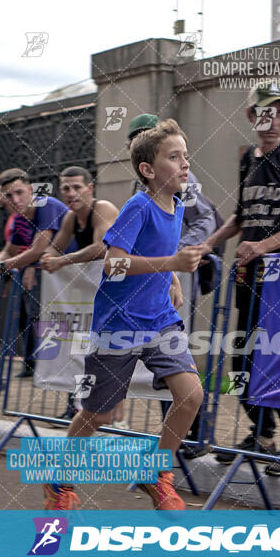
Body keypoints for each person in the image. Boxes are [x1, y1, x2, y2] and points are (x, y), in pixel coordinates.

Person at [43, 119, 204, 511]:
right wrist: (171, 263)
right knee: (100, 413)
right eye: (173, 157)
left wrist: (171, 280)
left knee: (191, 395)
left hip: (159, 320)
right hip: (120, 324)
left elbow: (159, 253)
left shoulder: (177, 205)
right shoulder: (138, 206)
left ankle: (157, 473)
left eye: (185, 156)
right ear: (148, 170)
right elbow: (113, 266)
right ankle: (58, 480)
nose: (184, 164)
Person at [200, 81, 280, 475]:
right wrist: (210, 244)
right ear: (252, 117)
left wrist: (263, 246)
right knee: (242, 357)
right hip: (249, 277)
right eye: (265, 113)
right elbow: (240, 216)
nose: (273, 120)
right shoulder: (246, 161)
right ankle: (262, 432)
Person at [127, 113, 218, 457]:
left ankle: (195, 435)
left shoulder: (180, 175)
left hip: (186, 269)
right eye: (133, 139)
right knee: (162, 370)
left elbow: (206, 217)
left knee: (181, 360)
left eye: (142, 136)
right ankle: (172, 440)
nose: (135, 144)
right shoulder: (140, 187)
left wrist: (177, 260)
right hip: (161, 277)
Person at [39, 165, 119, 420]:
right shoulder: (71, 218)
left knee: (122, 352)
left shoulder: (102, 208)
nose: (71, 193)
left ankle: (118, 417)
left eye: (77, 187)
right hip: (98, 297)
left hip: (129, 288)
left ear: (90, 188)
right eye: (66, 188)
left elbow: (100, 248)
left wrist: (61, 262)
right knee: (83, 348)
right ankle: (83, 408)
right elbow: (55, 247)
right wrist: (47, 257)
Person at [0, 168, 70, 377]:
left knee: (56, 321)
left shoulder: (46, 204)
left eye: (19, 192)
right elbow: (9, 249)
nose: (14, 199)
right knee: (34, 317)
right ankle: (38, 367)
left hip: (72, 273)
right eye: (8, 195)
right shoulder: (20, 216)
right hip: (54, 274)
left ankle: (54, 369)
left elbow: (38, 249)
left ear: (30, 190)